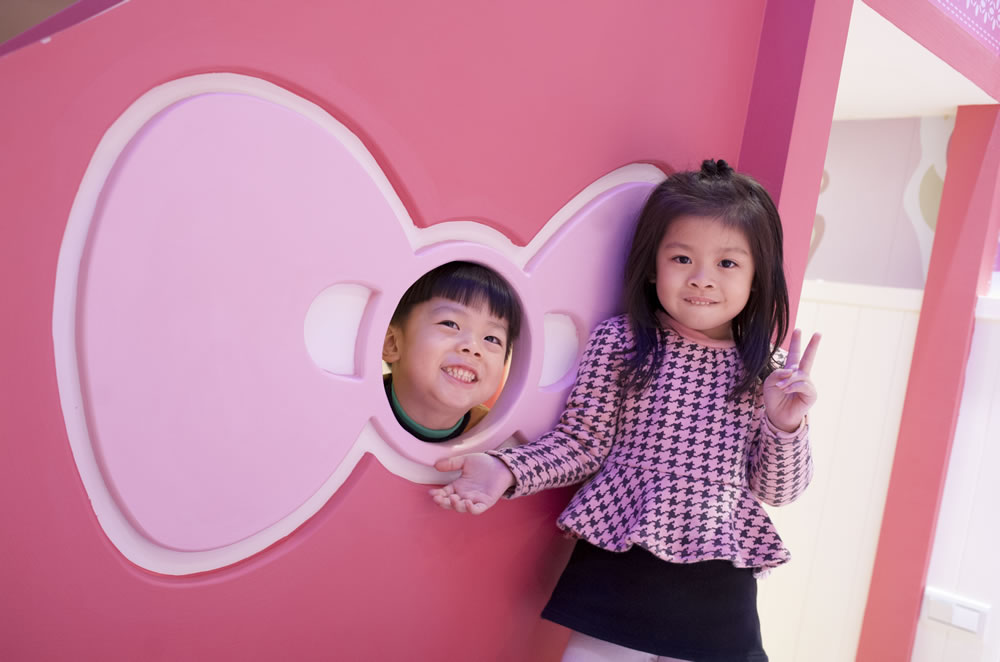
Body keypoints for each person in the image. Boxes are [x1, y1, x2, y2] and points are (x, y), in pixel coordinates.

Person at [429, 160, 820, 661]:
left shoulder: (770, 371)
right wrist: (506, 470)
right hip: (620, 557)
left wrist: (786, 423)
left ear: (757, 277)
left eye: (727, 263)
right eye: (682, 258)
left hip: (715, 582)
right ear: (653, 266)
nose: (702, 279)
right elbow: (581, 443)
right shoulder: (622, 342)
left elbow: (779, 491)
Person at [382, 261, 522, 442]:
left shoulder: (498, 442)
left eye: (491, 339)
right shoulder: (354, 408)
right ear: (392, 343)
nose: (473, 347)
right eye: (450, 324)